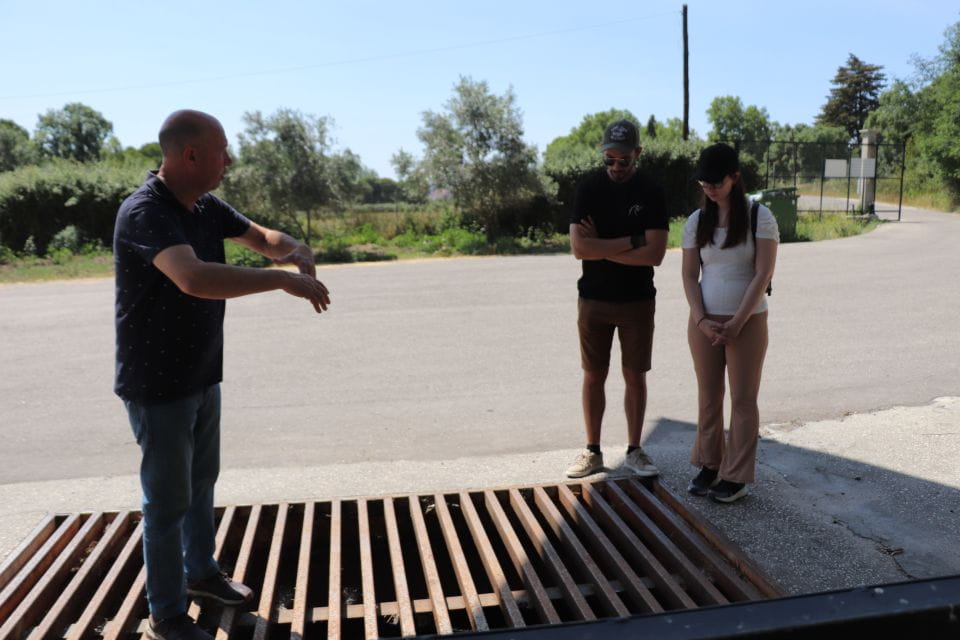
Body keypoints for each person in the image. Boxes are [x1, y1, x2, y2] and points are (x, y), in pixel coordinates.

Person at [113, 110, 331, 640]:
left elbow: (260, 236)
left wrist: (293, 249)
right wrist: (280, 282)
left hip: (201, 372)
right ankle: (166, 615)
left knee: (200, 482)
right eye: (223, 150)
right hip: (158, 383)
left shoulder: (204, 205)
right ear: (190, 155)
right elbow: (193, 277)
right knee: (166, 502)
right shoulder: (146, 211)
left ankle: (202, 574)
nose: (229, 160)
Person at [566, 119, 669, 479]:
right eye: (608, 160)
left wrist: (602, 248)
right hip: (593, 299)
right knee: (593, 375)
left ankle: (635, 450)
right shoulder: (589, 188)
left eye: (623, 161)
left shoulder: (652, 190)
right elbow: (579, 248)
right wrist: (632, 240)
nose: (615, 168)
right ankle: (592, 451)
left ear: (637, 154)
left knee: (634, 376)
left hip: (637, 300)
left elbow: (656, 254)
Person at [680, 143, 779, 503]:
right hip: (704, 322)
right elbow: (690, 275)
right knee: (709, 396)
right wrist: (702, 319)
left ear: (734, 178)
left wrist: (737, 322)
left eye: (715, 181)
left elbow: (763, 272)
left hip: (748, 321)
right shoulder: (695, 221)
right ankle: (709, 464)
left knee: (742, 398)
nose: (708, 187)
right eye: (703, 182)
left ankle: (735, 476)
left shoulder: (760, 217)